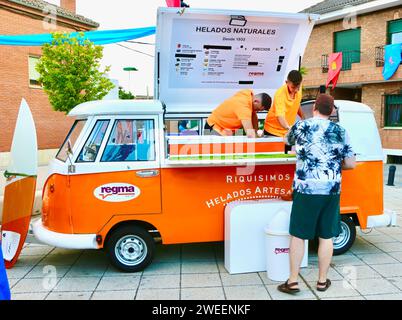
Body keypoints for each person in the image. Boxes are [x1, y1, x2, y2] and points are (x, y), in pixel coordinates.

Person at [277, 94, 356, 294]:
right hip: (331, 190)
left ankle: (293, 281)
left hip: (306, 189)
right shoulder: (341, 131)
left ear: (314, 109)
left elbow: (287, 141)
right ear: (331, 112)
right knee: (326, 236)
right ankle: (322, 281)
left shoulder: (301, 126)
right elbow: (351, 164)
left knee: (298, 235)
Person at [264, 70, 305, 151]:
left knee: (286, 158)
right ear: (287, 82)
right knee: (276, 160)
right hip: (273, 132)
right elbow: (280, 116)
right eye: (293, 87)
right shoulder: (280, 94)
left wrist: (303, 118)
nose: (296, 90)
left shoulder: (298, 89)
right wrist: (290, 129)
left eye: (298, 87)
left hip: (287, 132)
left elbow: (296, 103)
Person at [205, 89, 271, 138]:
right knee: (217, 154)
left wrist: (257, 132)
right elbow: (250, 134)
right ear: (256, 101)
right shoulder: (243, 106)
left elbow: (254, 117)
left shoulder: (248, 95)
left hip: (224, 129)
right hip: (214, 128)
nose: (257, 111)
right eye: (258, 109)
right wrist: (259, 140)